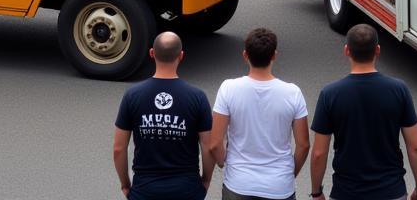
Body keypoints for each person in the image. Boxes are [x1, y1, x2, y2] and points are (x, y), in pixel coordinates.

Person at [309, 24, 417, 200]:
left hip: (346, 192)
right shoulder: (399, 90)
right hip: (391, 191)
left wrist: (317, 192)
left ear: (347, 50)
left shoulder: (330, 94)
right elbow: (415, 147)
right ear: (377, 50)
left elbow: (319, 153)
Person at [210, 27, 310, 200]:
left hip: (238, 185)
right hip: (279, 187)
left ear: (245, 55)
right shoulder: (293, 93)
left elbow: (214, 143)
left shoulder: (228, 88)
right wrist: (286, 174)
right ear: (274, 56)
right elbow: (303, 145)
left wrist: (221, 162)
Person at [113, 32, 214, 200]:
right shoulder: (197, 97)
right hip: (187, 190)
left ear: (152, 53)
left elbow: (118, 148)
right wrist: (205, 180)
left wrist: (125, 184)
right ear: (181, 56)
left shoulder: (133, 95)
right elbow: (207, 146)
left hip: (144, 190)